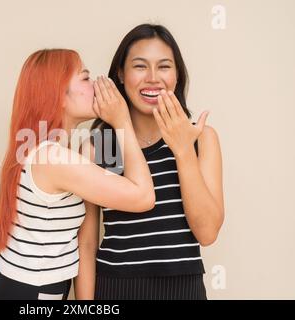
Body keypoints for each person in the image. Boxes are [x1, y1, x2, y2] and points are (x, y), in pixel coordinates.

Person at [0, 48, 155, 300]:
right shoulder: (54, 159)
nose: (96, 84)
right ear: (59, 96)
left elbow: (6, 218)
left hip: (18, 286)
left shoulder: (39, 150)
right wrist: (122, 121)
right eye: (85, 78)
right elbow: (143, 196)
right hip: (33, 292)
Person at [75, 24, 224, 300]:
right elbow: (86, 244)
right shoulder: (100, 148)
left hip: (184, 289)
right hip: (116, 288)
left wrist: (182, 151)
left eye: (164, 67)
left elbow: (207, 233)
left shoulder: (201, 139)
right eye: (140, 66)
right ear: (121, 73)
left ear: (177, 75)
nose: (153, 78)